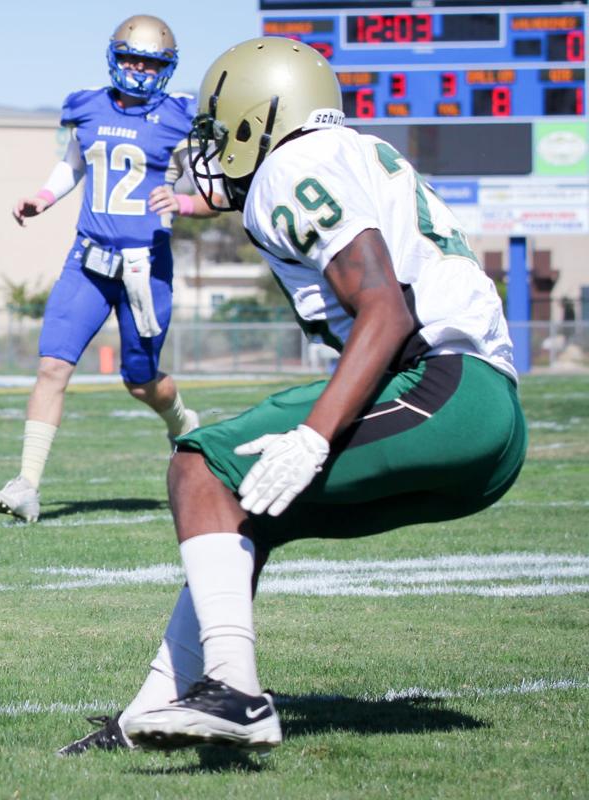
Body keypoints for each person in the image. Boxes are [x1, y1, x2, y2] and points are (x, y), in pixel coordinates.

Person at [60, 36, 526, 755]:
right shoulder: (354, 154)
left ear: (257, 118)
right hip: (484, 417)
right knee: (249, 513)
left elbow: (386, 310)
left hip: (445, 388)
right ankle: (154, 709)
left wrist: (313, 437)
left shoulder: (293, 164)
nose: (212, 150)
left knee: (201, 465)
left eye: (219, 132)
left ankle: (239, 697)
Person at [0, 14, 219, 523]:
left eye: (150, 62)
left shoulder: (180, 117)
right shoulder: (87, 106)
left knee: (140, 382)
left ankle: (182, 420)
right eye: (131, 57)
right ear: (114, 57)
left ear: (166, 68)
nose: (138, 69)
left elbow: (219, 192)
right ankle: (27, 484)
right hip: (88, 260)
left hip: (145, 265)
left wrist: (184, 203)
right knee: (52, 367)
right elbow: (73, 164)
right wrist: (43, 198)